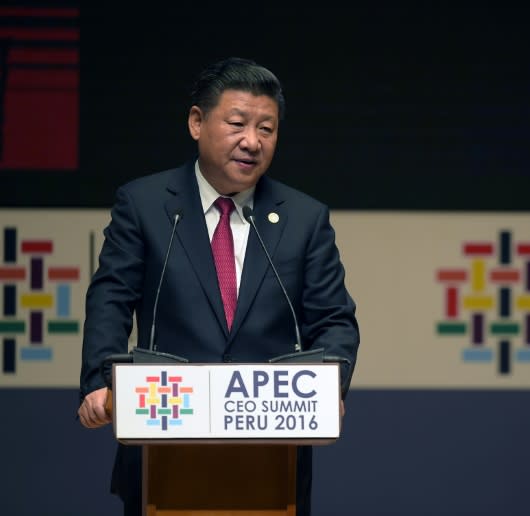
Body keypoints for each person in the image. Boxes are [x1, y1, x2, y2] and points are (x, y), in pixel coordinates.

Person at [77, 56, 360, 516]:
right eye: (237, 123)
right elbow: (111, 296)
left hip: (271, 463)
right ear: (196, 122)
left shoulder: (305, 219)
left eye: (266, 129)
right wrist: (100, 380)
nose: (252, 141)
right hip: (163, 445)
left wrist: (331, 384)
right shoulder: (146, 205)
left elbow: (334, 319)